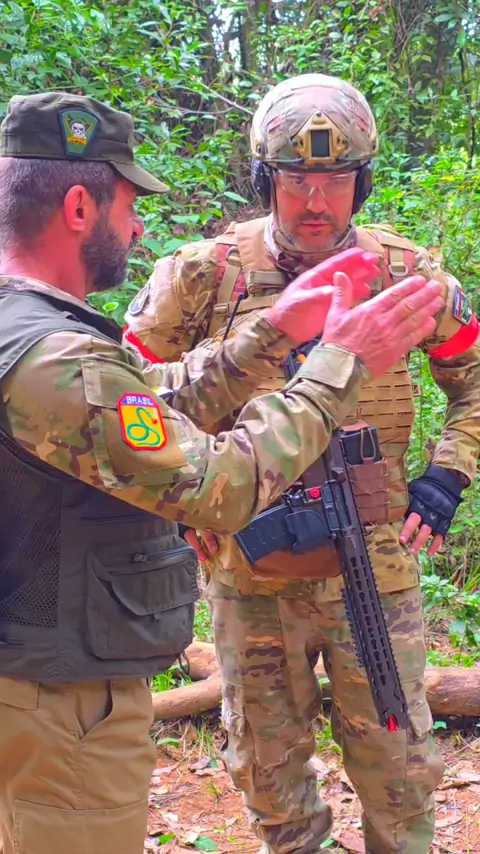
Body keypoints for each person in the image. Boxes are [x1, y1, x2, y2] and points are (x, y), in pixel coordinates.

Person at [0, 92, 442, 854]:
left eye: (336, 180)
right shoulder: (58, 356)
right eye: (128, 205)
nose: (138, 227)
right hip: (56, 697)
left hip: (48, 673)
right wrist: (341, 362)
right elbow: (216, 486)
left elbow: (148, 395)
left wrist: (271, 332)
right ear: (78, 207)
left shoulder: (32, 330)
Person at [125, 74, 480, 854]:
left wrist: (448, 473)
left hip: (374, 569)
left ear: (363, 182)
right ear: (266, 180)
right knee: (270, 776)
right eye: (295, 181)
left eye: (336, 181)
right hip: (248, 572)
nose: (316, 202)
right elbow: (130, 398)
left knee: (401, 774)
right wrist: (177, 503)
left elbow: (473, 376)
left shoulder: (406, 274)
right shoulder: (202, 274)